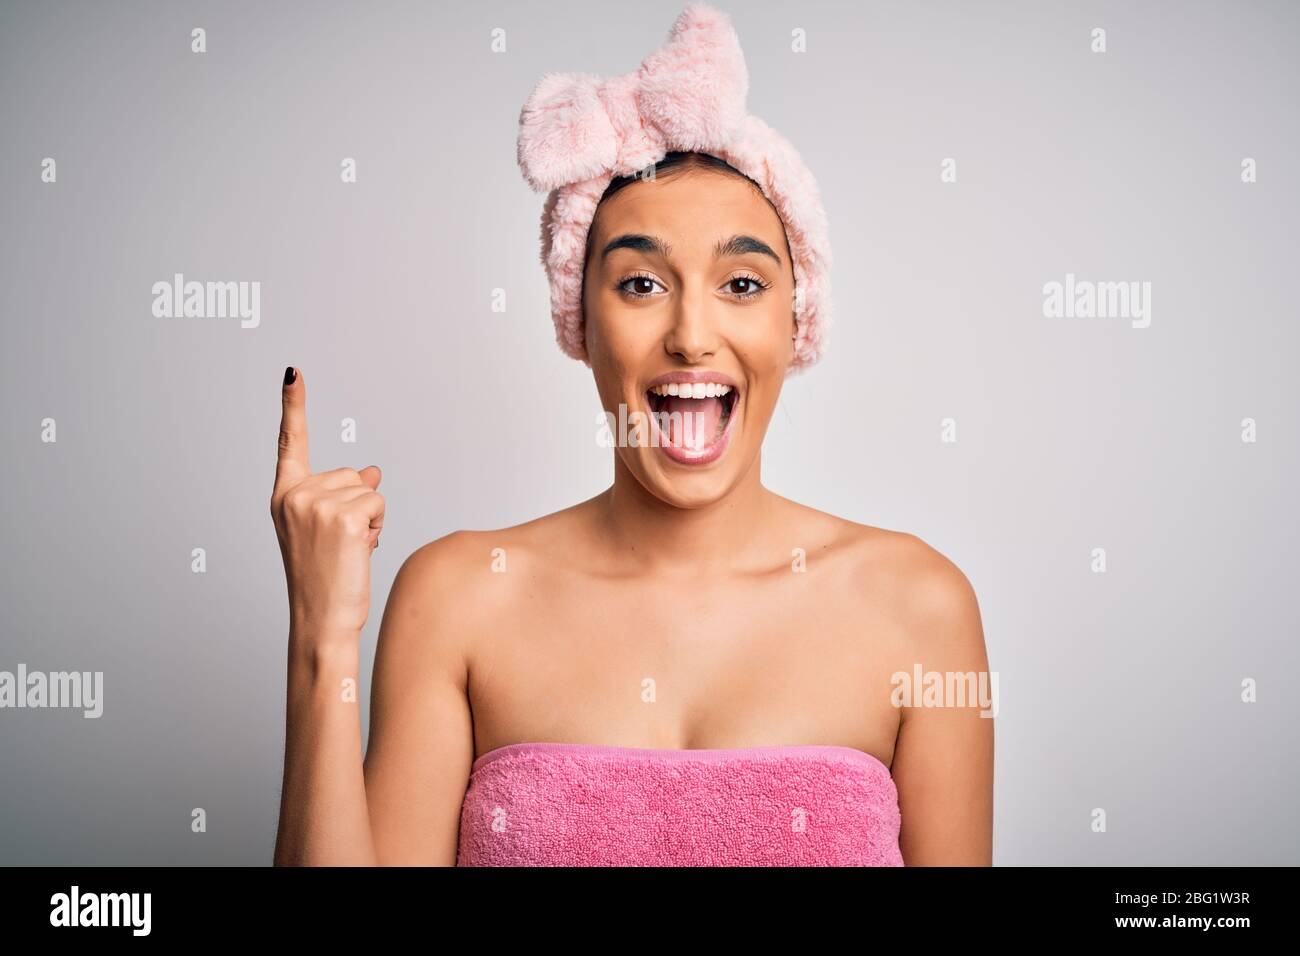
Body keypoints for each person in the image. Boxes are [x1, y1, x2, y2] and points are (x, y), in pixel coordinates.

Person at [272, 3, 992, 867]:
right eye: (642, 283)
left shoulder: (920, 607)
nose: (692, 334)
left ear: (798, 323)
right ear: (578, 319)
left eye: (742, 283)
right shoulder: (456, 597)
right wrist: (322, 640)